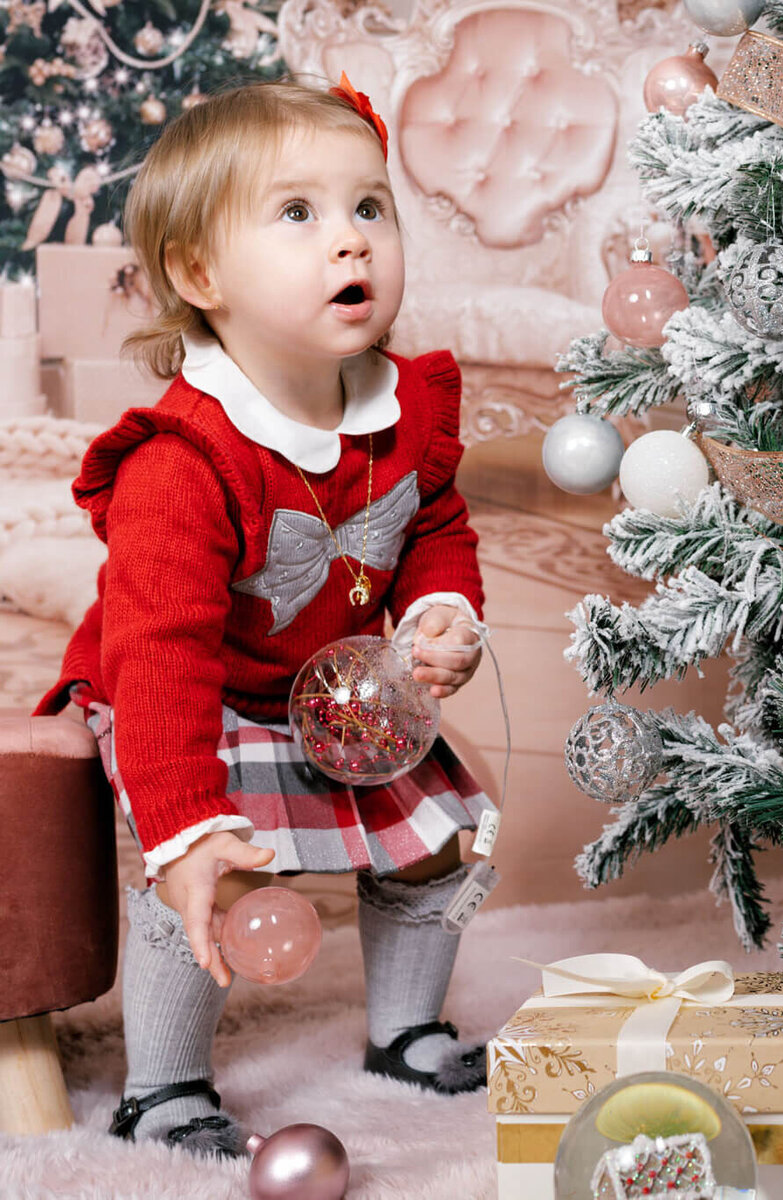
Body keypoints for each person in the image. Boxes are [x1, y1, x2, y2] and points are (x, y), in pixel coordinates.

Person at [36, 75, 496, 1158]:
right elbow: (160, 661)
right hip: (188, 702)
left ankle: (406, 1034)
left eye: (368, 208)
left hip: (332, 685)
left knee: (438, 838)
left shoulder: (401, 408)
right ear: (200, 274)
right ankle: (163, 1083)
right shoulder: (181, 464)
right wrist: (187, 830)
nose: (351, 243)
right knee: (214, 869)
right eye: (298, 214)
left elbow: (433, 521)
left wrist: (438, 610)